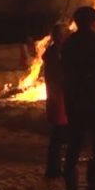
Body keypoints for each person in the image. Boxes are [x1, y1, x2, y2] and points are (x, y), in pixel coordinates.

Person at [60, 6, 95, 190]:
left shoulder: (69, 43)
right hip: (91, 98)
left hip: (73, 98)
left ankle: (71, 186)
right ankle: (94, 183)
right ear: (93, 23)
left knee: (75, 142)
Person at [41, 21, 71, 179]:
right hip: (59, 101)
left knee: (59, 138)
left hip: (59, 101)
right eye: (65, 33)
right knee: (58, 138)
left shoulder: (56, 53)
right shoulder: (56, 55)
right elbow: (61, 78)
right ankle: (54, 169)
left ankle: (56, 168)